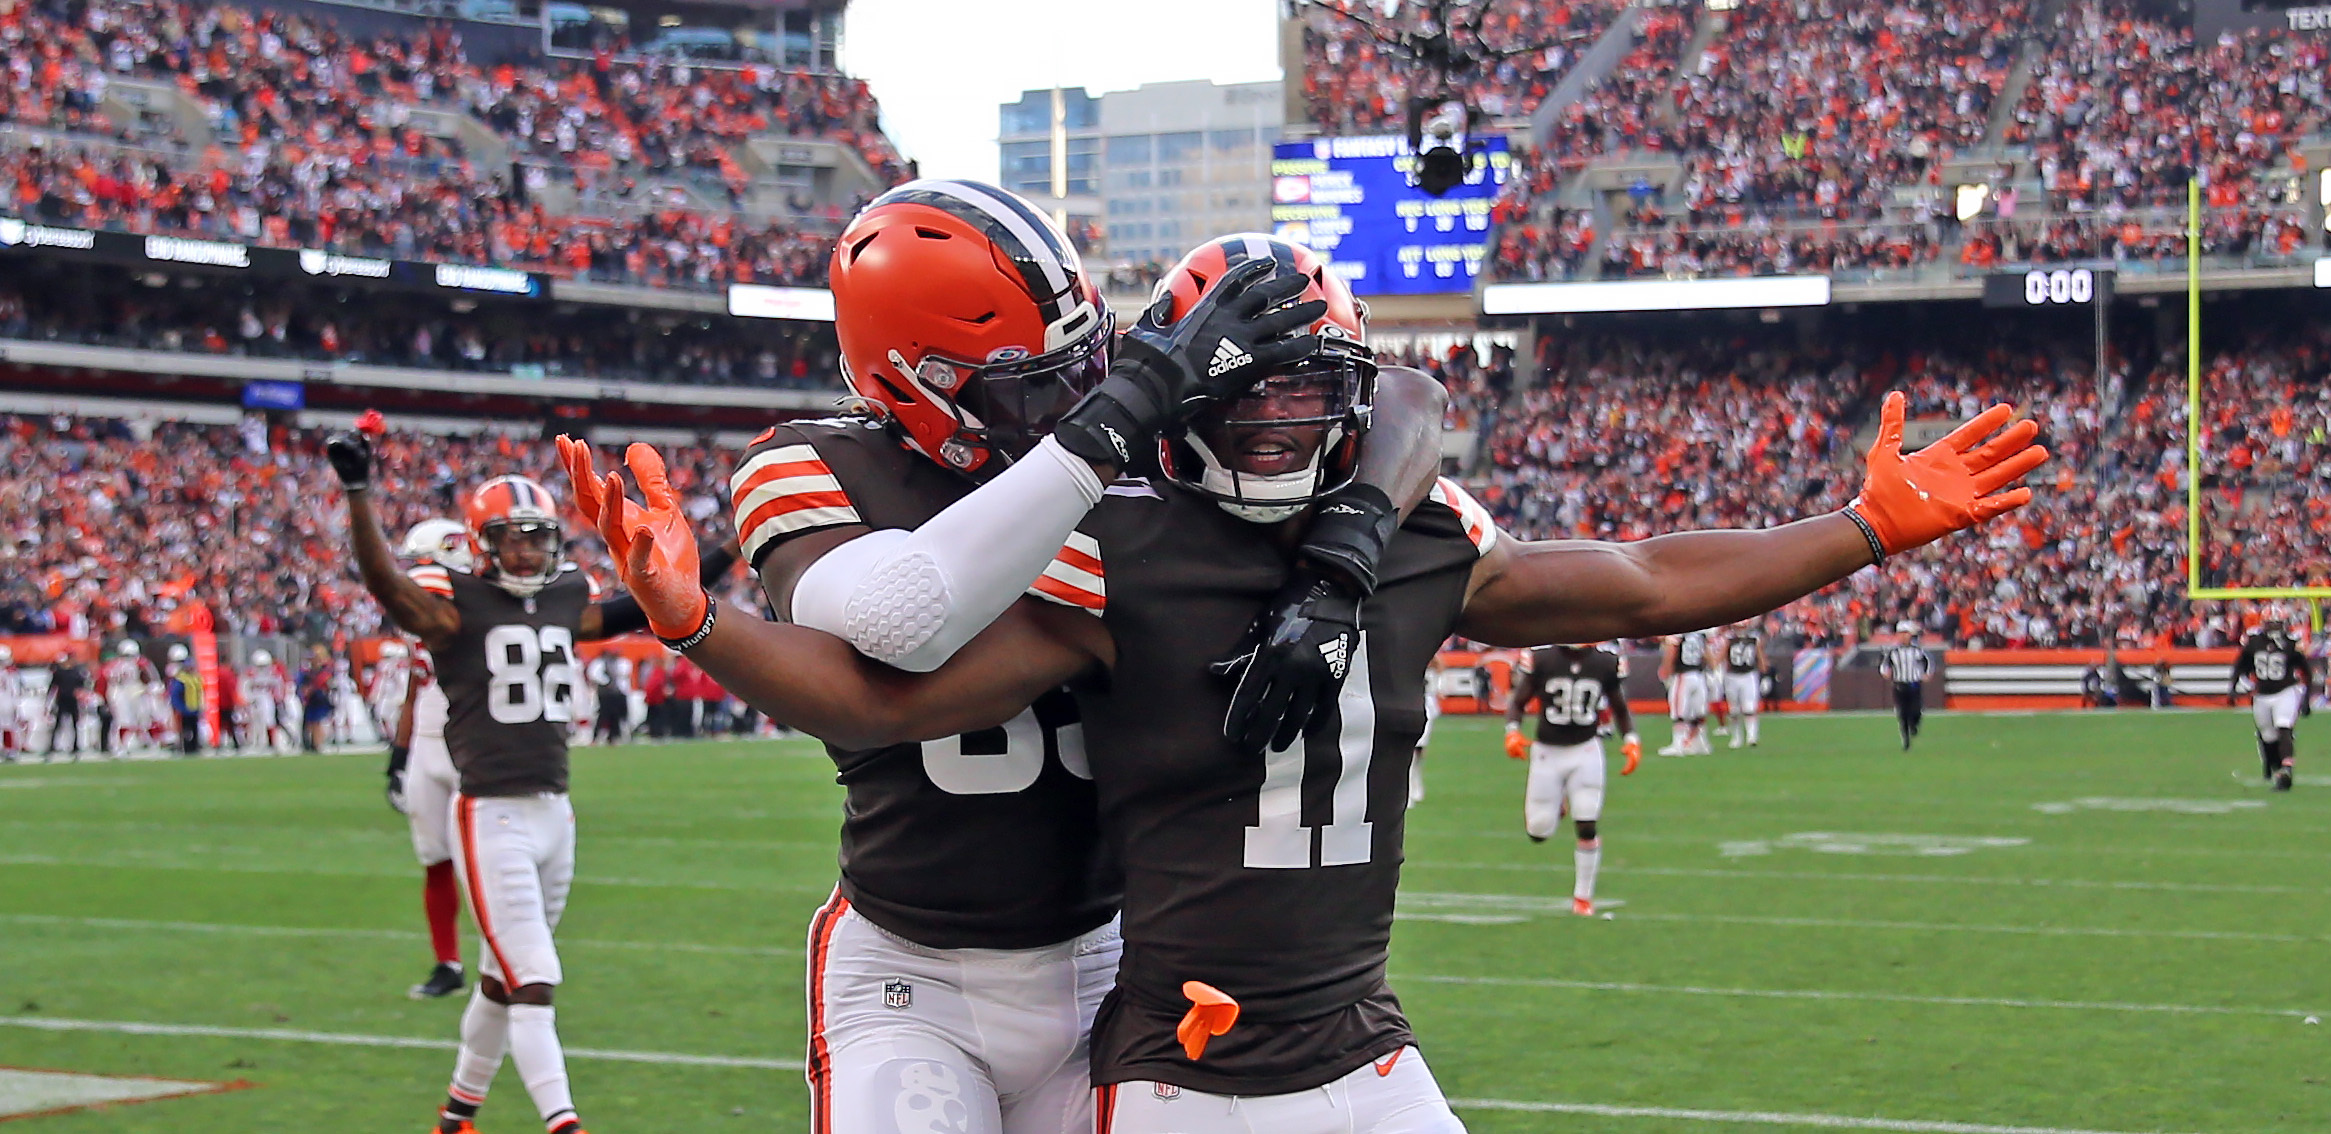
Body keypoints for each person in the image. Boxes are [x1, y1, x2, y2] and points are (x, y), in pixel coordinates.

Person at [575, 234, 2047, 1133]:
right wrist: (697, 614)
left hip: (1355, 1034)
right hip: (1174, 1055)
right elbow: (887, 693)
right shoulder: (1114, 548)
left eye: (1310, 405)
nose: (1283, 434)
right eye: (1252, 405)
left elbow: (1643, 573)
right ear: (1174, 415)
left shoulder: (1409, 535)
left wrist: (1858, 528)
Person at [580, 194, 1428, 1134]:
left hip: (1112, 962)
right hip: (916, 970)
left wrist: (1348, 547)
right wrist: (1124, 407)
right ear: (914, 382)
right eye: (1036, 384)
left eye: (1093, 365)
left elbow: (1407, 400)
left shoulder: (1146, 446)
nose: (1076, 400)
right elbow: (903, 618)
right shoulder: (818, 464)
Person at [326, 418, 741, 1134]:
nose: (528, 548)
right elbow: (386, 585)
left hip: (557, 813)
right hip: (491, 815)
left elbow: (630, 604)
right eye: (513, 536)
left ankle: (456, 1118)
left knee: (502, 977)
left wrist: (729, 545)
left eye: (537, 534)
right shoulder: (456, 609)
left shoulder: (558, 599)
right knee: (535, 982)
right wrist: (360, 494)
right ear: (483, 543)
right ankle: (564, 1123)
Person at [386, 516, 473, 1000]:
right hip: (426, 741)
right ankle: (448, 962)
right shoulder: (420, 623)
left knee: (487, 861)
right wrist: (398, 756)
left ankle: (507, 961)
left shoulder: (478, 611)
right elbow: (414, 688)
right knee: (434, 857)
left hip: (471, 742)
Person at [1505, 642, 1639, 915]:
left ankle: (1583, 897)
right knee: (1539, 831)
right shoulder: (1542, 659)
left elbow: (1619, 706)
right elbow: (1518, 701)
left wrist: (1632, 739)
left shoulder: (1605, 663)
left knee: (1587, 822)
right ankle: (1560, 801)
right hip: (1547, 752)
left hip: (1586, 749)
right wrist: (1512, 731)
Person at [2232, 617, 2311, 791]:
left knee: (2284, 728)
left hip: (2286, 692)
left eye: (2277, 623)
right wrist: (2233, 687)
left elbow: (2305, 670)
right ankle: (2275, 768)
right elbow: (2240, 665)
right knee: (2268, 737)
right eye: (2271, 623)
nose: (2274, 628)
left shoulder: (2290, 644)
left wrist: (2306, 699)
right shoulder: (2254, 643)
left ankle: (2286, 770)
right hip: (2262, 696)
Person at [1880, 621, 1934, 750]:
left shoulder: (1918, 650)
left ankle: (1914, 725)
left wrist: (1927, 674)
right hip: (1899, 684)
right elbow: (1884, 665)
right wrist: (1885, 672)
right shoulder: (1893, 651)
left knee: (1916, 709)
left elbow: (1929, 663)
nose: (1904, 636)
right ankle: (1906, 739)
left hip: (1914, 683)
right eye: (1902, 633)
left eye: (1907, 633)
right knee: (1902, 713)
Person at [1658, 630, 1713, 755]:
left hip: (1683, 675)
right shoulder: (1700, 634)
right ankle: (1700, 742)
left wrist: (1665, 673)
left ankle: (1678, 745)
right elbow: (1706, 654)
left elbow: (1671, 652)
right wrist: (1712, 668)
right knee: (1698, 712)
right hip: (1699, 675)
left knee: (1679, 712)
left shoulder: (1678, 634)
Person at [103, 640, 158, 756]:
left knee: (136, 720)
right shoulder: (139, 663)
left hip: (122, 693)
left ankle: (138, 742)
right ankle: (123, 745)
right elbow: (151, 677)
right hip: (129, 693)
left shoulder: (112, 664)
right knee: (132, 720)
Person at [1719, 623, 1766, 748]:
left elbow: (1759, 655)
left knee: (1750, 707)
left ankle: (1752, 736)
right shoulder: (1729, 638)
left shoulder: (1754, 638)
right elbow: (1722, 655)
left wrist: (1764, 670)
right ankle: (1736, 737)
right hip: (1732, 675)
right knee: (1734, 709)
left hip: (1749, 674)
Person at [243, 649, 289, 753]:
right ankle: (254, 743)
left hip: (267, 699)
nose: (262, 668)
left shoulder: (273, 673)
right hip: (255, 700)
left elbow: (280, 686)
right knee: (254, 723)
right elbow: (245, 687)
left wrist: (279, 698)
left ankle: (272, 743)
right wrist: (248, 699)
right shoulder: (250, 674)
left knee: (269, 722)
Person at [166, 646, 203, 756]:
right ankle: (186, 748)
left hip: (194, 708)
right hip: (186, 709)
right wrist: (181, 708)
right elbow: (175, 695)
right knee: (186, 731)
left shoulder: (196, 678)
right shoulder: (181, 678)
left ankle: (195, 747)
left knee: (195, 730)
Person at [47, 656, 85, 761]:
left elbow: (81, 685)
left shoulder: (76, 672)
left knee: (75, 725)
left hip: (72, 700)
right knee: (58, 724)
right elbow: (53, 687)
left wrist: (81, 697)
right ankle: (52, 746)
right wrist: (49, 701)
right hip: (62, 700)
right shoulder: (59, 672)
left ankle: (75, 746)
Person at [0, 645, 20, 762]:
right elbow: (15, 690)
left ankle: (8, 749)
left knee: (7, 727)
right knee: (8, 727)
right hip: (7, 701)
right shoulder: (11, 672)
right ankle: (9, 750)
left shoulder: (10, 672)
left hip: (6, 701)